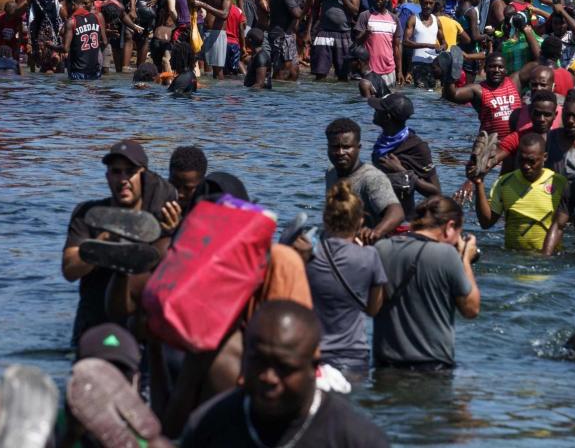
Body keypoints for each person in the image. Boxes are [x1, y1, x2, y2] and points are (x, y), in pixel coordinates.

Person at [180, 300, 390, 447]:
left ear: (314, 368)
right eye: (258, 362)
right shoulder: (208, 424)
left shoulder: (356, 439)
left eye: (284, 367)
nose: (268, 377)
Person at [61, 140, 177, 346]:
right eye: (116, 171)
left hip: (137, 333)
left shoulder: (160, 217)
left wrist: (174, 233)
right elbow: (69, 270)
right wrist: (105, 242)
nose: (123, 179)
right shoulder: (88, 214)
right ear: (107, 176)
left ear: (144, 175)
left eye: (130, 171)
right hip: (93, 329)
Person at [372, 196, 480, 370]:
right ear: (450, 227)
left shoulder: (382, 248)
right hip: (431, 365)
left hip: (385, 363)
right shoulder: (447, 255)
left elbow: (372, 307)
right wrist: (465, 259)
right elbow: (471, 309)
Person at [303, 180, 387, 372]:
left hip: (314, 356)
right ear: (360, 222)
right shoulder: (370, 257)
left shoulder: (308, 256)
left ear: (325, 219)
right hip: (353, 356)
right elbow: (373, 310)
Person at [475, 131, 569, 252]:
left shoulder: (559, 183)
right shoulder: (504, 182)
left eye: (531, 161)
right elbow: (486, 223)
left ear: (544, 157)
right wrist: (479, 183)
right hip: (514, 257)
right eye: (522, 160)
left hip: (548, 260)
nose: (526, 166)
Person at [324, 118, 404, 243]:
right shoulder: (331, 173)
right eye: (335, 147)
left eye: (346, 147)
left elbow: (396, 212)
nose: (340, 152)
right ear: (328, 147)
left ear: (358, 147)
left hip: (366, 247)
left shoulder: (372, 178)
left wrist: (376, 232)